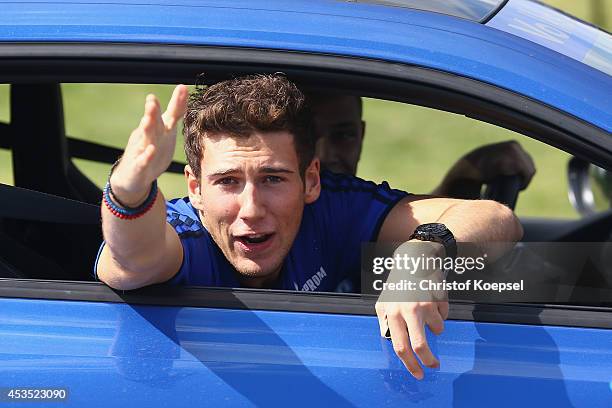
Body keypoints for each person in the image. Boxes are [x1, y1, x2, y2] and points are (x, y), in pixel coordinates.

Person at [96, 75, 522, 380]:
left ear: (311, 180)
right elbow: (133, 259)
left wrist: (422, 252)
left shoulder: (331, 207)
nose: (251, 209)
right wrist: (130, 191)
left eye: (273, 179)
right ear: (194, 187)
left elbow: (496, 219)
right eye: (227, 182)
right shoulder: (185, 232)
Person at [309, 93, 536, 197]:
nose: (325, 155)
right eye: (308, 137)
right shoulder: (285, 229)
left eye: (344, 136)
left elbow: (407, 221)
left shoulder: (356, 206)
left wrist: (465, 172)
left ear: (362, 134)